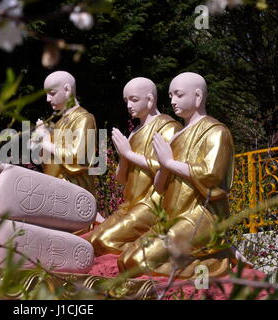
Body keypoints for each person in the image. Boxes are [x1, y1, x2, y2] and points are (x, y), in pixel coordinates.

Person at [117, 72, 235, 278]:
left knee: (137, 262)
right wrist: (164, 166)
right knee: (125, 259)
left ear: (198, 97)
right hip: (173, 215)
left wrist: (170, 162)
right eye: (171, 95)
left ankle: (211, 265)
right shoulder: (177, 135)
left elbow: (212, 178)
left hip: (201, 216)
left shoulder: (216, 132)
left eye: (179, 95)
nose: (172, 101)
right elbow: (161, 187)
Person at [88, 77, 181, 255]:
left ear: (150, 99)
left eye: (134, 100)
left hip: (153, 203)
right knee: (93, 239)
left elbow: (166, 168)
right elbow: (121, 179)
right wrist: (124, 156)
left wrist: (129, 154)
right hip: (131, 203)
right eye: (126, 101)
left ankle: (144, 253)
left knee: (104, 240)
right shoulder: (134, 132)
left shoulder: (168, 128)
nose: (129, 105)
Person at [34, 71, 97, 196]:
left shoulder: (84, 118)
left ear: (67, 90)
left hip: (72, 188)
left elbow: (76, 155)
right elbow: (47, 162)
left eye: (52, 93)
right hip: (53, 184)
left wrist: (46, 143)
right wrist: (43, 137)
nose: (47, 99)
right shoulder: (58, 124)